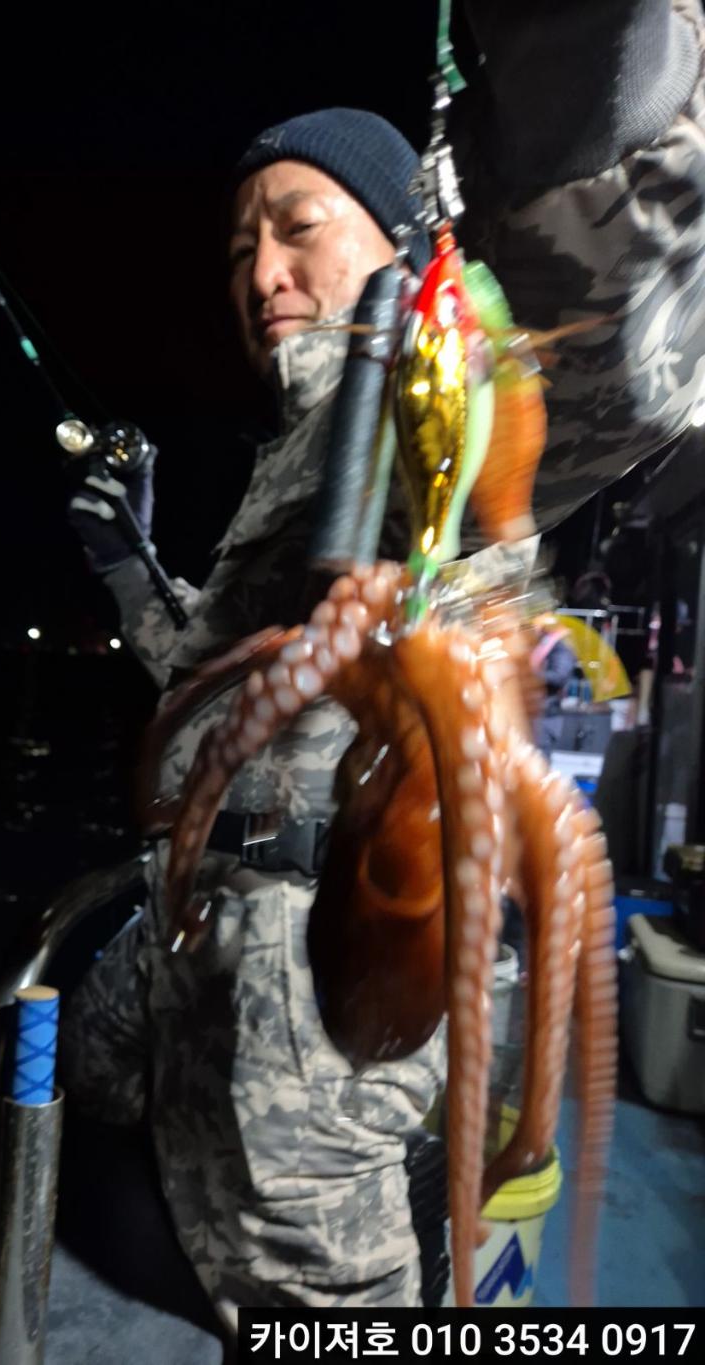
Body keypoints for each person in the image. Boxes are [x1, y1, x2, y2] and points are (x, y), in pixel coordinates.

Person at [60, 0, 705, 1328]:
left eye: (300, 226)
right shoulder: (293, 466)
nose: (260, 271)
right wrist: (132, 566)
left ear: (400, 240)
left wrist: (596, 92)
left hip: (318, 1022)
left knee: (327, 1302)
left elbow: (632, 323)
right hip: (186, 960)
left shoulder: (453, 372)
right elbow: (215, 677)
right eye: (242, 246)